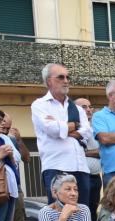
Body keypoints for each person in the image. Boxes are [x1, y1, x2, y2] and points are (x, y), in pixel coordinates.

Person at [30, 64, 91, 204]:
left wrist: (61, 126)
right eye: (61, 77)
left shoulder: (76, 108)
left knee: (83, 213)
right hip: (56, 167)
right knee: (59, 215)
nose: (66, 81)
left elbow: (87, 132)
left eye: (67, 77)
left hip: (80, 167)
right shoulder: (40, 105)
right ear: (48, 81)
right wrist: (74, 125)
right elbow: (52, 129)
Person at [0, 113, 34, 221]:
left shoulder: (11, 139)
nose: (6, 127)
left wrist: (19, 139)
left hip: (16, 187)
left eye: (9, 125)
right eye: (3, 123)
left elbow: (27, 159)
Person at [74, 98, 103, 219]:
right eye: (84, 107)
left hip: (96, 177)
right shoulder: (75, 129)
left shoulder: (96, 128)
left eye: (90, 107)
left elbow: (103, 152)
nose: (89, 110)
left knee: (92, 213)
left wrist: (84, 152)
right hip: (80, 177)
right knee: (80, 212)